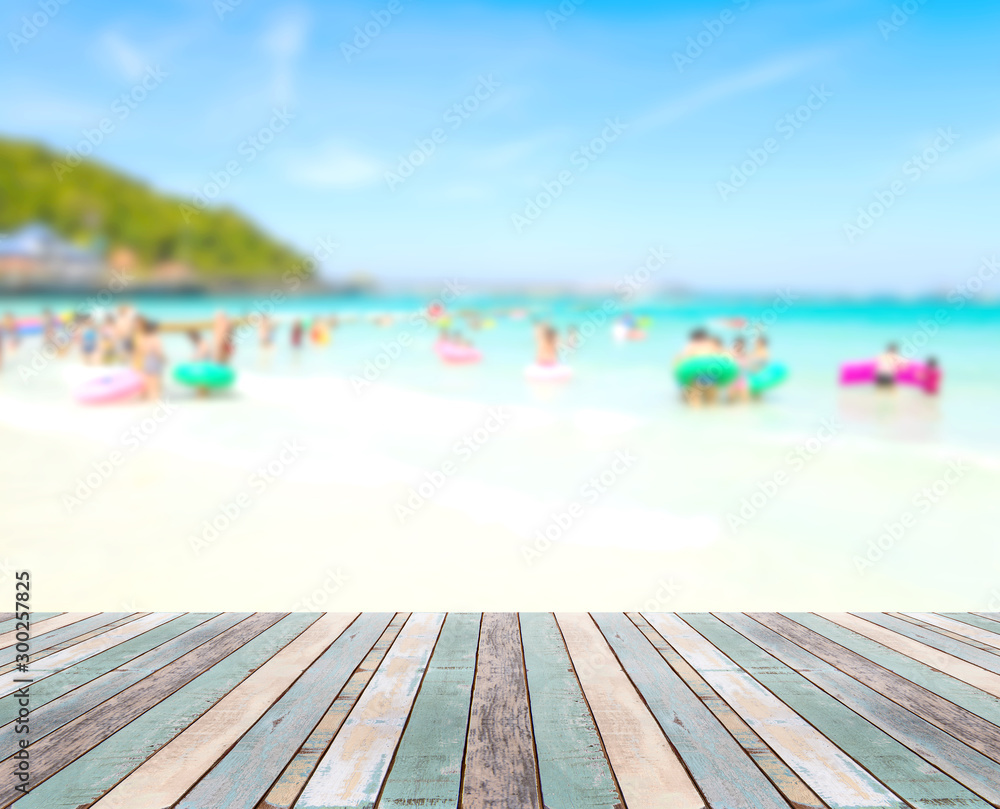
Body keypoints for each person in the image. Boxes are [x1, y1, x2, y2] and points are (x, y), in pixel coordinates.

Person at [674, 328, 718, 406]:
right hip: (710, 373)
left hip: (695, 373)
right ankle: (713, 416)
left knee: (695, 398)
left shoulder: (691, 345)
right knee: (711, 399)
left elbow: (682, 359)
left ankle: (695, 416)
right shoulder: (711, 344)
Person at [136, 319, 166, 401]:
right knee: (155, 380)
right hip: (154, 359)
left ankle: (147, 397)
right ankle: (154, 397)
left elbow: (140, 350)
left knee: (147, 379)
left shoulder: (143, 338)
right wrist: (164, 359)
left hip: (147, 359)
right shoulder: (155, 338)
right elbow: (158, 351)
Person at [727, 336, 750, 403]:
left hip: (741, 380)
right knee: (731, 401)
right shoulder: (730, 355)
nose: (739, 347)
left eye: (741, 345)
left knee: (744, 402)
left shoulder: (745, 355)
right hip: (732, 380)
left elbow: (748, 367)